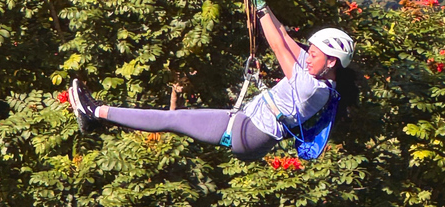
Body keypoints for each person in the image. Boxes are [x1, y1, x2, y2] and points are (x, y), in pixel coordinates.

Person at [68, 1, 356, 162]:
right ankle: (96, 114)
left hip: (252, 133)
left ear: (331, 61)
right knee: (173, 120)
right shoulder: (320, 78)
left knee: (172, 120)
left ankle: (93, 113)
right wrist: (265, 7)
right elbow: (287, 38)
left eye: (314, 55)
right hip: (250, 128)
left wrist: (260, 9)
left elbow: (279, 47)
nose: (307, 57)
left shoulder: (312, 88)